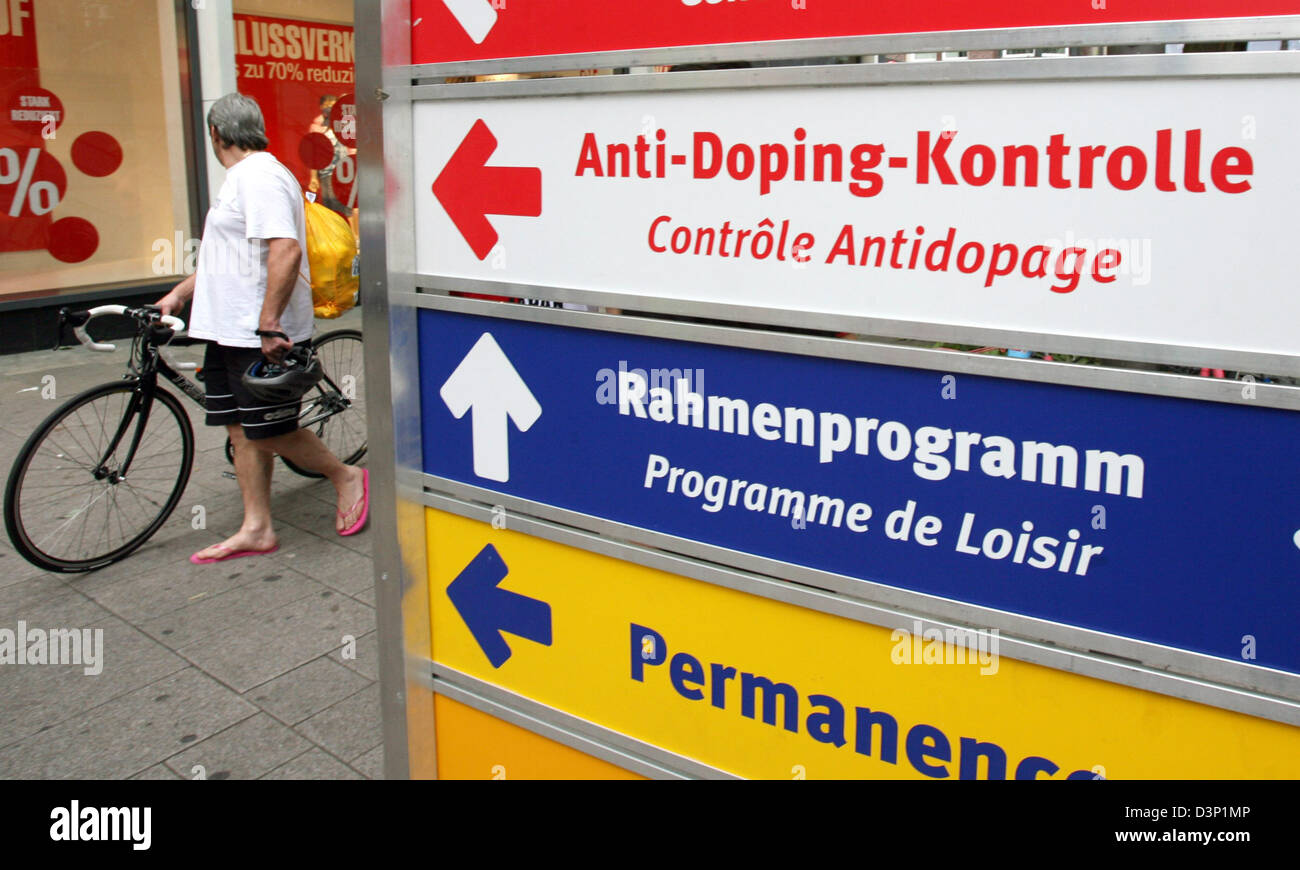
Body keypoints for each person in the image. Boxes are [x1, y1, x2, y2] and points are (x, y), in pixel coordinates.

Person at [157, 92, 367, 563]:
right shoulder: (242, 179)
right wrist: (178, 295)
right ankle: (257, 527)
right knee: (239, 430)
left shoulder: (260, 177)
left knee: (267, 431)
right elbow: (223, 257)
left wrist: (269, 323)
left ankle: (345, 475)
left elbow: (286, 249)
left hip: (257, 332)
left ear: (216, 134)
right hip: (229, 330)